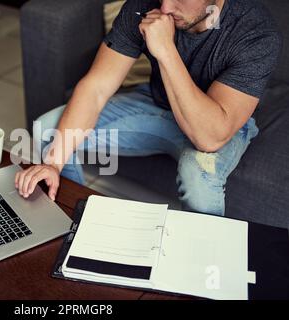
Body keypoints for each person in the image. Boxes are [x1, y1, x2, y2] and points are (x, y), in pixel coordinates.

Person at [15, 0, 281, 216]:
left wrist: (165, 49)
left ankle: (201, 266)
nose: (165, 8)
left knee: (198, 178)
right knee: (48, 130)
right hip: (156, 105)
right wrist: (51, 165)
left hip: (219, 121)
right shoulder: (144, 6)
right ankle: (75, 224)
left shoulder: (256, 32)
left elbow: (209, 137)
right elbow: (95, 88)